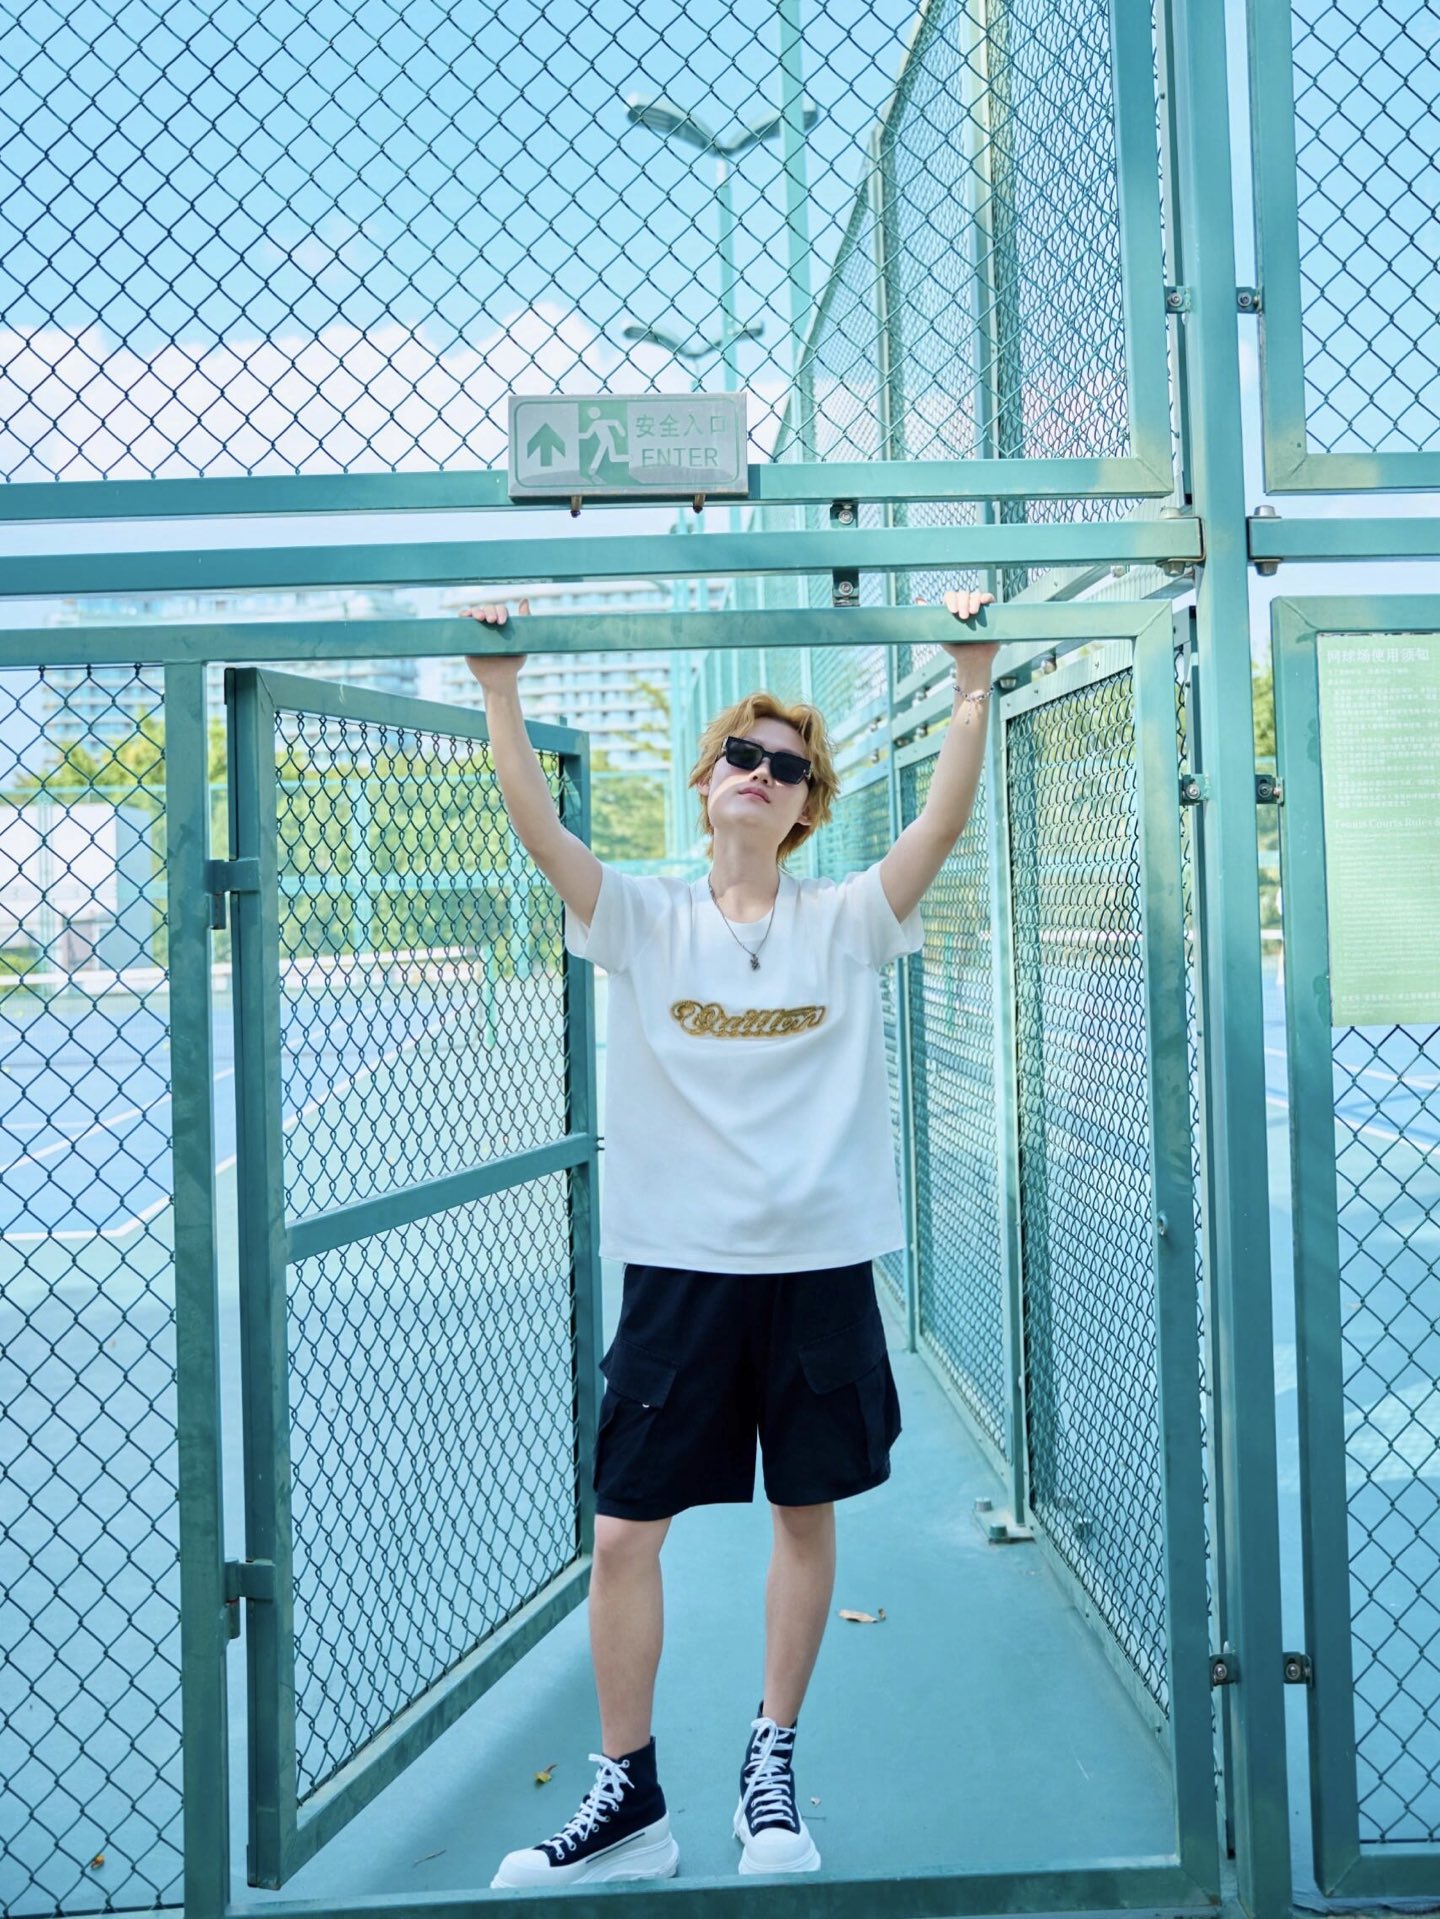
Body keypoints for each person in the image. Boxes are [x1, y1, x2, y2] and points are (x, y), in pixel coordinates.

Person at [462, 591, 997, 1888]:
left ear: (804, 806)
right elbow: (539, 828)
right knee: (624, 1534)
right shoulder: (643, 918)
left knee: (804, 1518)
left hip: (816, 1272)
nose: (761, 774)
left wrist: (973, 685)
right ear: (707, 783)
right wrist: (499, 691)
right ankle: (630, 1799)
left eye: (787, 767)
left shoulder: (846, 920)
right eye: (742, 756)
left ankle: (771, 1770)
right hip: (680, 1275)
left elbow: (937, 825)